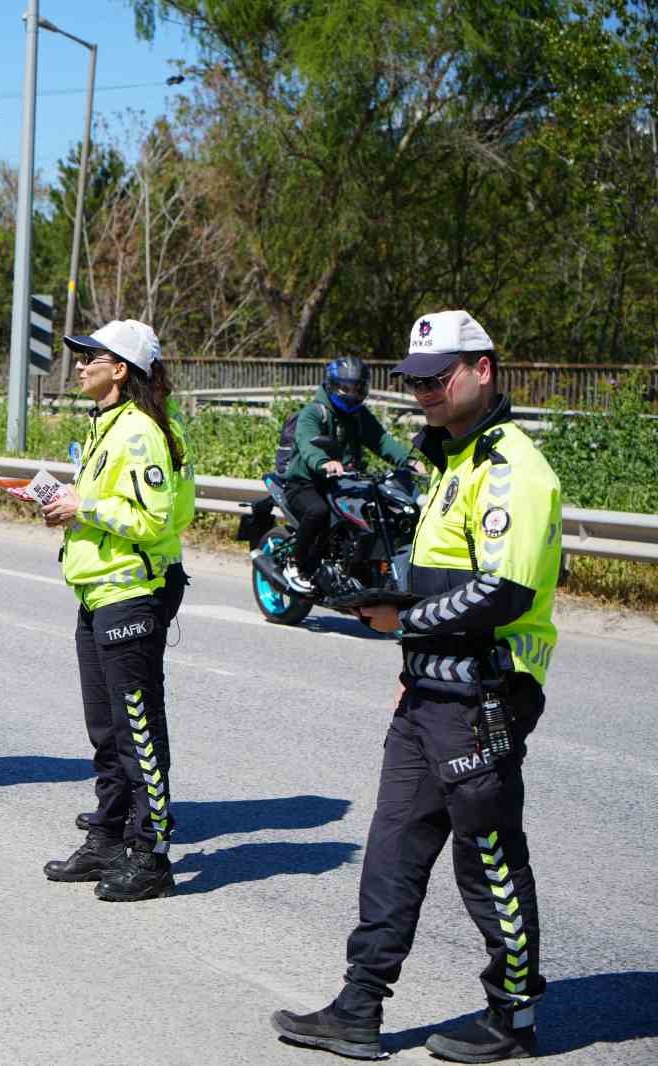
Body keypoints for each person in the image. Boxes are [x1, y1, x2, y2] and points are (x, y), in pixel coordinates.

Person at [272, 310, 562, 1063]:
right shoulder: (451, 461)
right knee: (393, 848)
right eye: (413, 381)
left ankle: (515, 1019)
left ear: (483, 370)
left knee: (489, 858)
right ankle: (358, 1006)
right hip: (429, 692)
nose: (424, 392)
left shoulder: (510, 468)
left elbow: (505, 591)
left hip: (484, 699)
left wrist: (401, 622)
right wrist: (412, 656)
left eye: (438, 378)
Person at [39, 319, 193, 902]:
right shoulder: (109, 423)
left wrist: (85, 505)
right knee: (106, 730)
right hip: (97, 591)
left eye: (90, 356)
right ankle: (107, 836)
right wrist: (68, 508)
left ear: (120, 369)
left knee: (137, 731)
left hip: (130, 590)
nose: (79, 364)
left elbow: (154, 520)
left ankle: (152, 854)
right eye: (79, 355)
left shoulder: (140, 431)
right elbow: (108, 507)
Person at [279, 357, 418, 595]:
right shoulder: (314, 413)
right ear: (332, 385)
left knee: (375, 511)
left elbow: (381, 441)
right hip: (305, 482)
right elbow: (306, 443)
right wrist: (324, 462)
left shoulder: (359, 415)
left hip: (343, 481)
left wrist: (409, 461)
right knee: (318, 512)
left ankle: (356, 568)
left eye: (357, 388)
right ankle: (295, 564)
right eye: (345, 388)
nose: (352, 394)